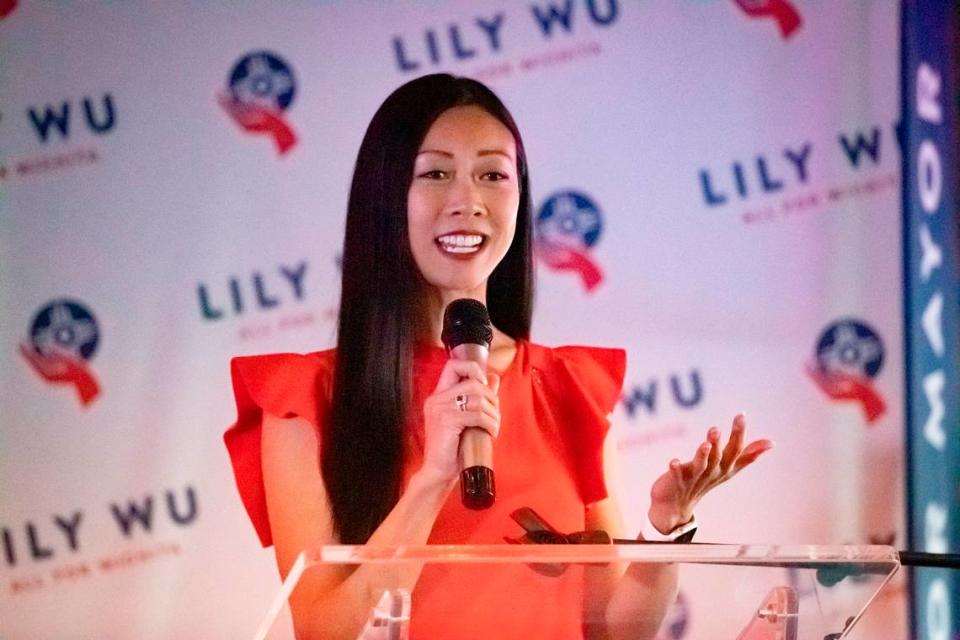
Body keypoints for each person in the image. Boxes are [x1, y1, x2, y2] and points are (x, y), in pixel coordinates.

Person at [224, 73, 773, 639]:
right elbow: (324, 632)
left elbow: (614, 630)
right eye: (436, 173)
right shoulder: (306, 398)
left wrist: (668, 530)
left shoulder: (569, 385)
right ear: (385, 196)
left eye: (493, 175)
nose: (468, 201)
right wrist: (433, 479)